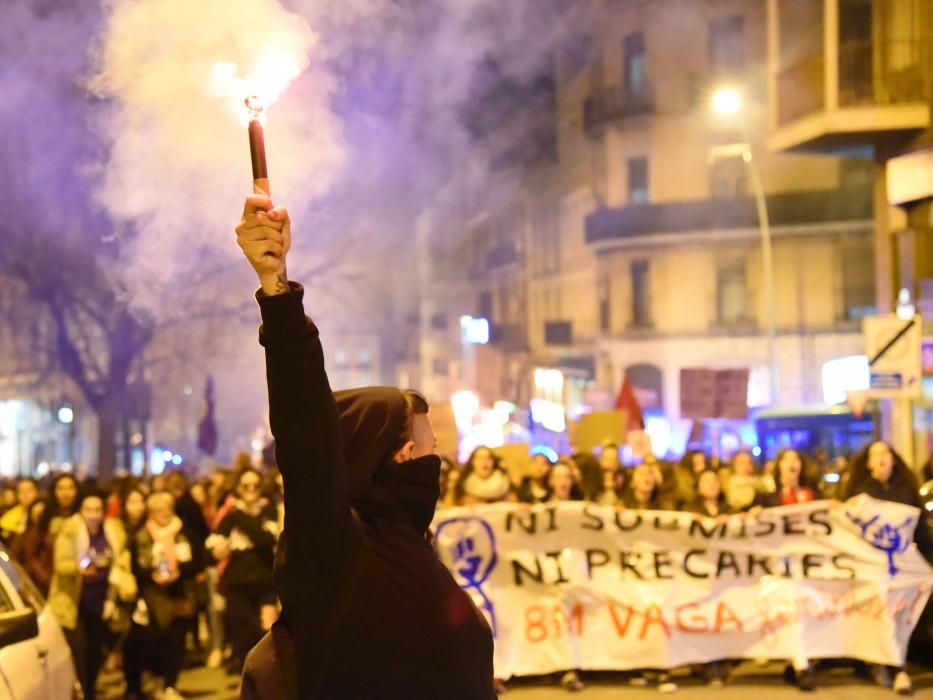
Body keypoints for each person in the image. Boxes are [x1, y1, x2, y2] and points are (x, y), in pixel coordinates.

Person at [234, 192, 495, 699]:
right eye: (427, 443)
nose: (436, 455)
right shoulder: (335, 551)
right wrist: (278, 292)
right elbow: (307, 435)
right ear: (392, 454)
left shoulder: (406, 541)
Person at [840, 440, 930, 695]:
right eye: (875, 454)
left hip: (903, 568)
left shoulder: (907, 490)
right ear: (868, 464)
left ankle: (890, 663)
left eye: (885, 453)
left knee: (900, 616)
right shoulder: (860, 493)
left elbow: (920, 530)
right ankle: (895, 668)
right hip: (872, 569)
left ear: (893, 459)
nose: (881, 458)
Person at [49, 488, 136, 699]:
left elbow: (121, 555)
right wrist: (79, 569)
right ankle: (85, 693)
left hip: (103, 600)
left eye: (97, 509)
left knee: (96, 652)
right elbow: (60, 564)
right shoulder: (69, 530)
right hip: (74, 601)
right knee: (80, 652)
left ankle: (90, 688)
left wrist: (121, 570)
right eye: (88, 509)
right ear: (81, 511)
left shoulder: (113, 530)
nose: (93, 514)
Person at [207, 467, 279, 674]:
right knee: (241, 633)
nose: (250, 489)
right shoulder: (229, 515)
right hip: (237, 585)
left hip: (265, 583)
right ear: (238, 488)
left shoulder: (267, 509)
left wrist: (239, 516)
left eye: (255, 485)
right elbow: (211, 548)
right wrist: (217, 551)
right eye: (245, 485)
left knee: (266, 633)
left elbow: (264, 539)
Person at [129, 492, 200, 700]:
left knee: (176, 641)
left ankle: (170, 684)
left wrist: (179, 570)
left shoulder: (184, 532)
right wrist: (153, 575)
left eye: (167, 509)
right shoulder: (142, 536)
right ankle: (155, 679)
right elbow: (136, 567)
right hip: (153, 597)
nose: (164, 514)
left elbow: (197, 562)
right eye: (159, 510)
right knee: (154, 640)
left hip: (181, 593)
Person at [753, 449, 820, 508]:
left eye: (796, 458)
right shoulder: (766, 499)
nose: (792, 462)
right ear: (779, 465)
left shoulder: (813, 494)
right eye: (786, 459)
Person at [11, 498, 52, 595]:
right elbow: (17, 557)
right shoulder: (25, 534)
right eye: (36, 515)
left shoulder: (51, 533)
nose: (38, 519)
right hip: (30, 584)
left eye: (41, 515)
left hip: (48, 583)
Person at [0, 477, 40, 542]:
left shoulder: (41, 511)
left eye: (29, 490)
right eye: (21, 491)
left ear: (37, 492)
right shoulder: (13, 513)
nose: (25, 494)